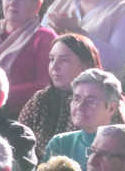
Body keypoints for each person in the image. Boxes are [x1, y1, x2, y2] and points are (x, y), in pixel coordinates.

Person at [19, 34, 101, 163]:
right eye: (51, 59)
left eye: (64, 60)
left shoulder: (104, 102)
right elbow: (18, 145)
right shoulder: (40, 99)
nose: (54, 66)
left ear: (86, 65)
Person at [44, 69, 124, 171]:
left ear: (111, 108)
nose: (80, 106)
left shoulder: (124, 146)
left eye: (90, 101)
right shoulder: (60, 143)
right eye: (76, 99)